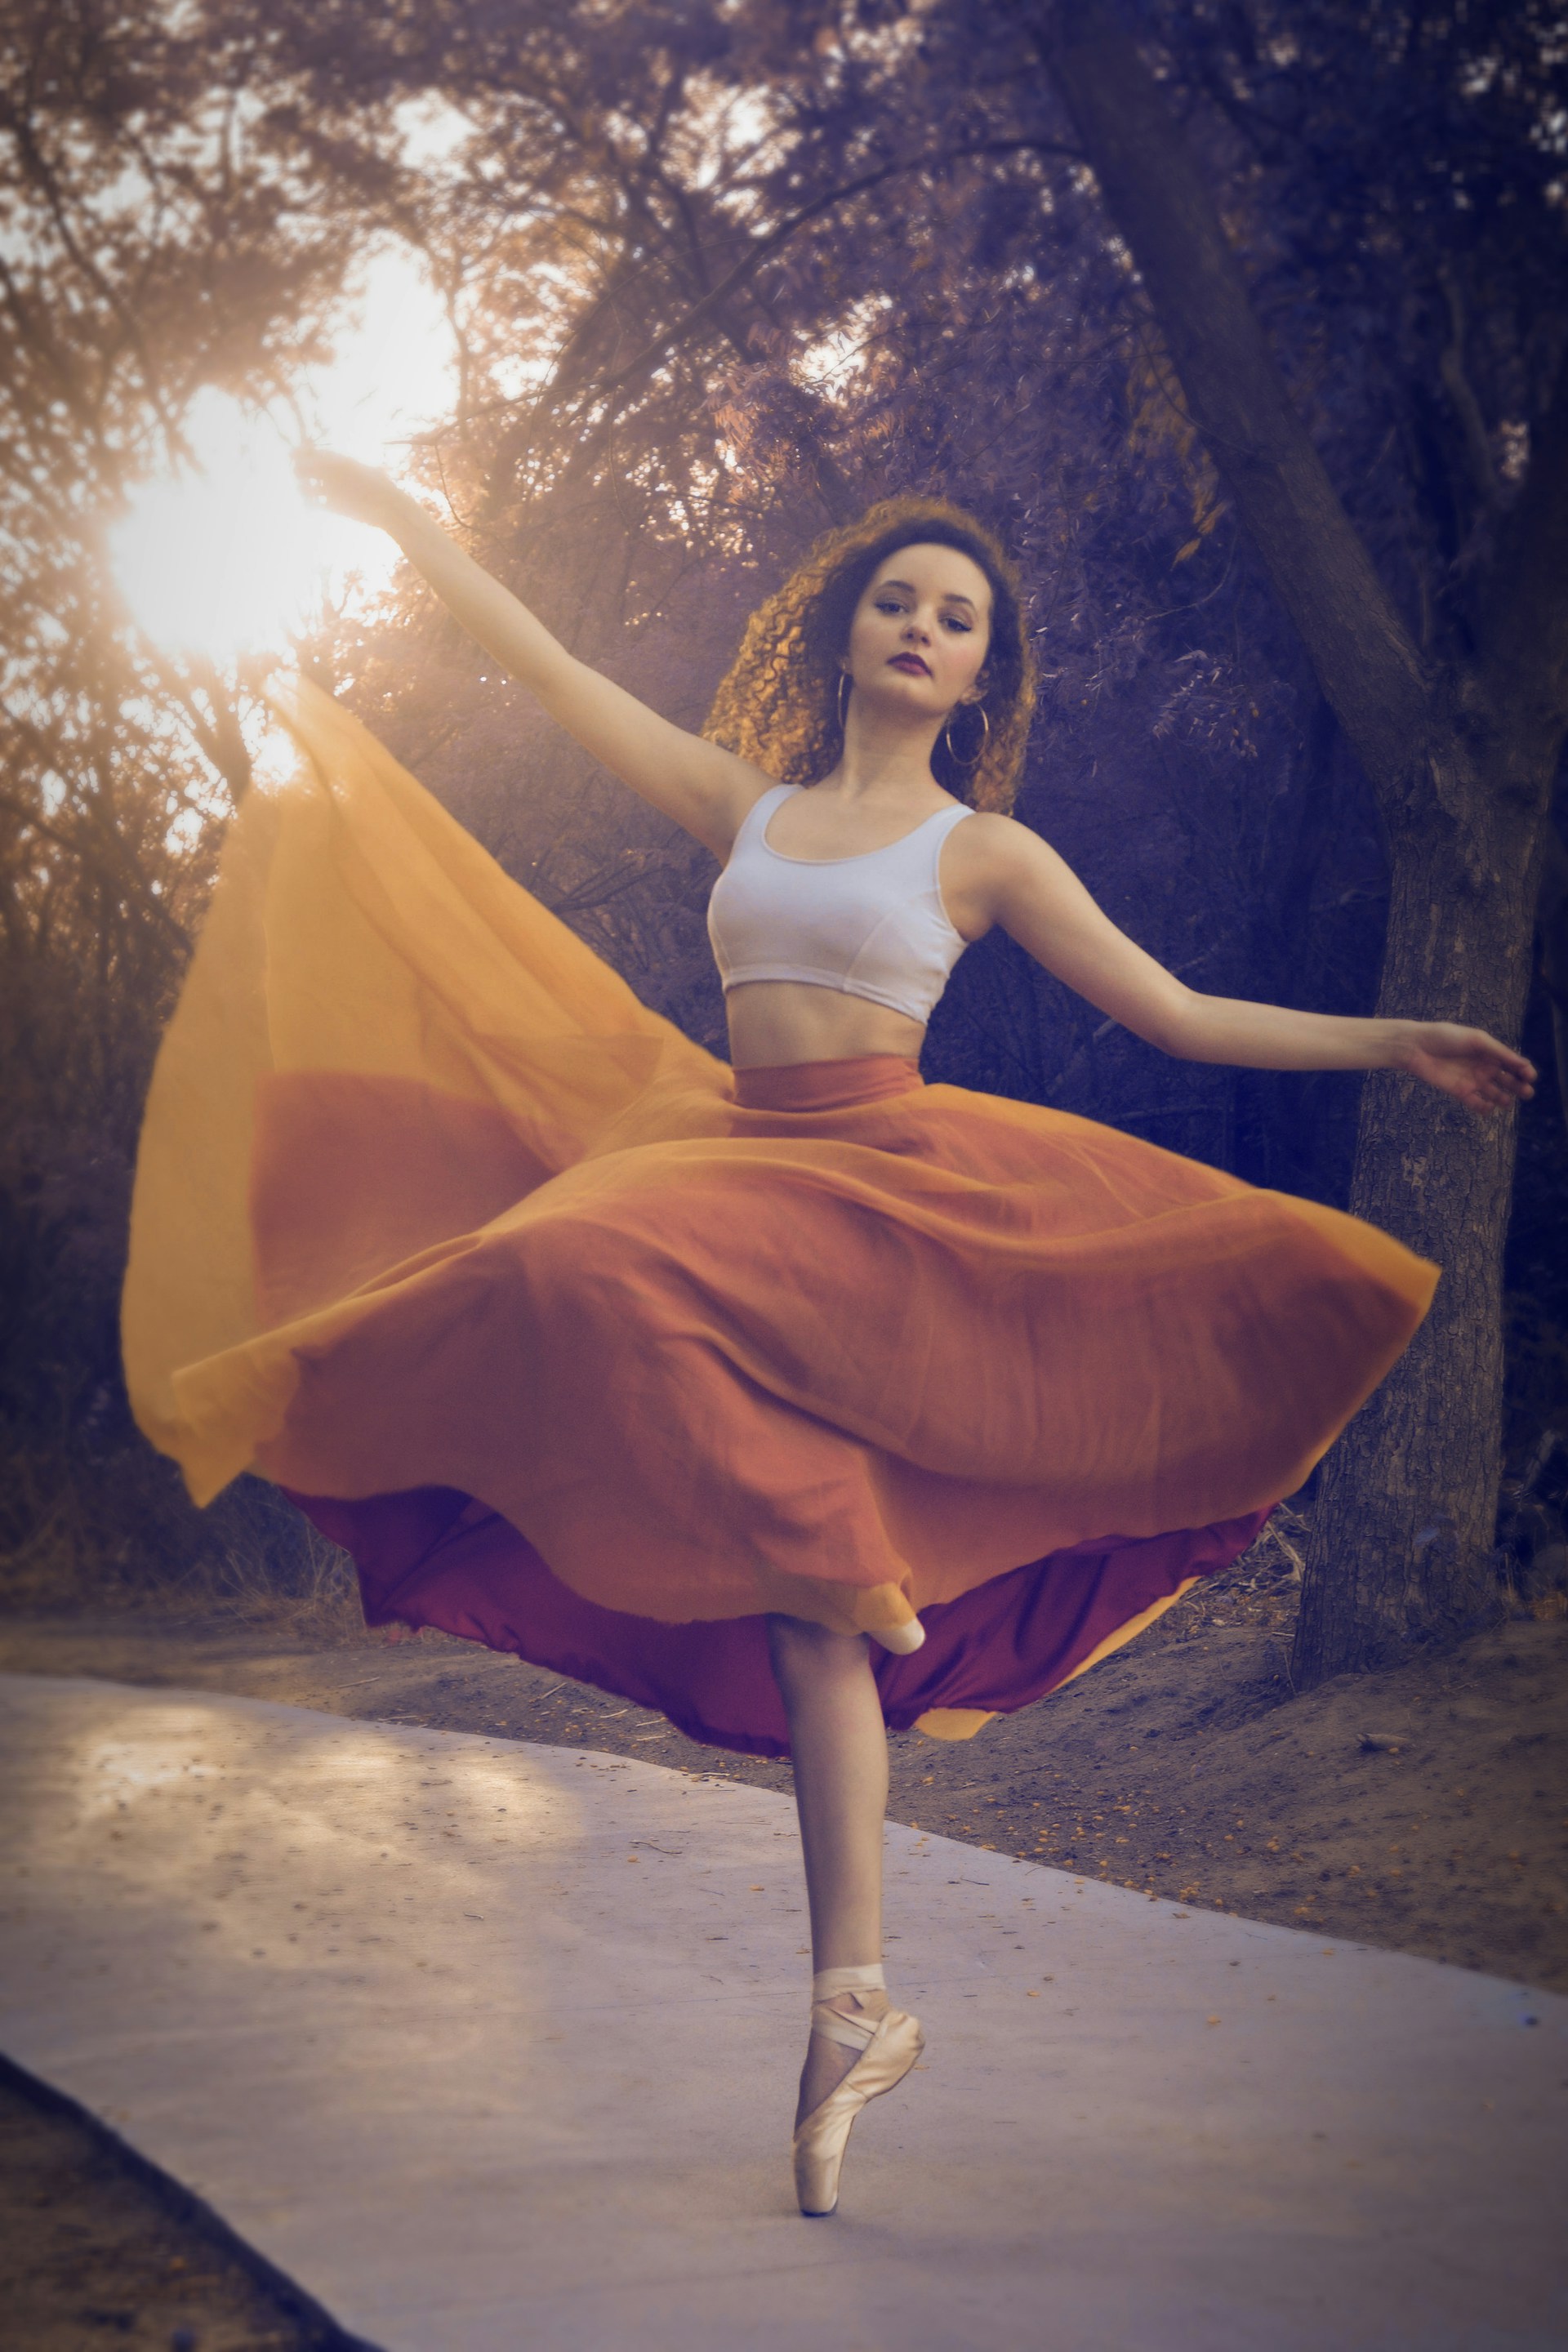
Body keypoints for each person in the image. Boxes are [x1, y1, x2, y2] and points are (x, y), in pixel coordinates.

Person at [123, 457, 1533, 2220]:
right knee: (626, 1345)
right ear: (846, 631)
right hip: (736, 1171)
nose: (924, 629)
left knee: (686, 1406)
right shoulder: (751, 805)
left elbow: (1173, 1013)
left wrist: (1393, 1039)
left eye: (960, 619)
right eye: (900, 601)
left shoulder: (984, 852)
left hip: (878, 1207)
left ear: (983, 674)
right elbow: (556, 678)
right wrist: (418, 537)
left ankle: (845, 1864)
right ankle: (846, 1981)